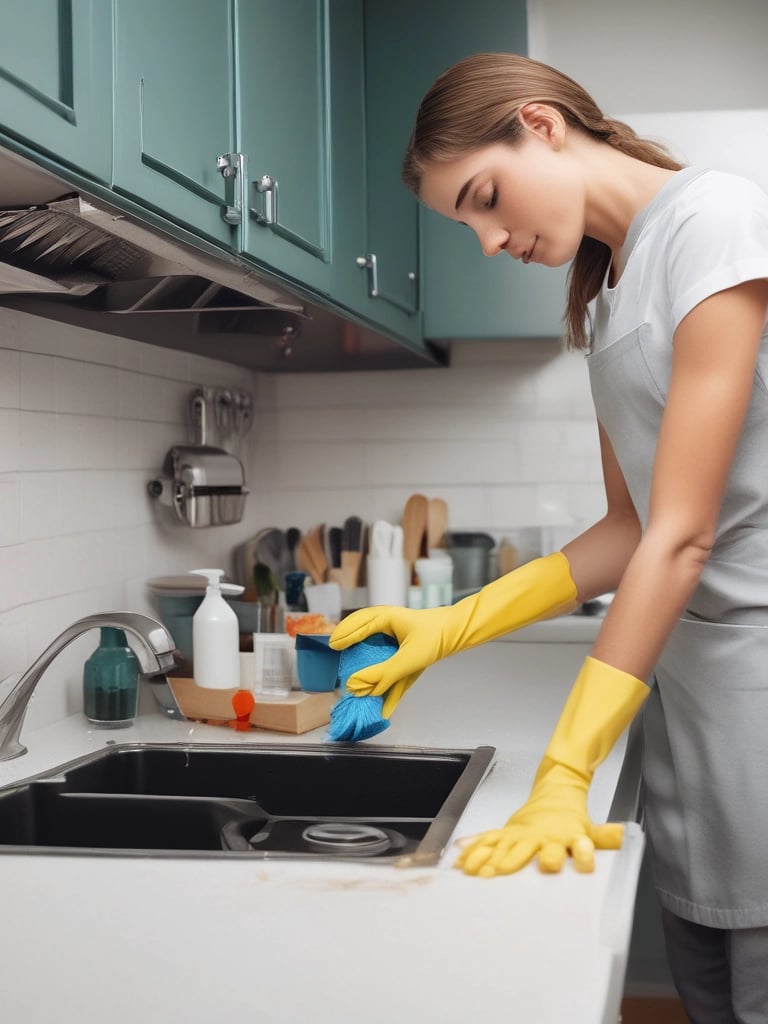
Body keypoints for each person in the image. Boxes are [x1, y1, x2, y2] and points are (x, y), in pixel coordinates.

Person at [329, 52, 768, 1021]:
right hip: (690, 700)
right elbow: (629, 530)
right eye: (467, 223)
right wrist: (450, 624)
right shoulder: (607, 291)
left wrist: (564, 769)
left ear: (539, 124)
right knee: (709, 994)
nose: (487, 240)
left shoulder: (715, 222)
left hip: (760, 695)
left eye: (484, 199)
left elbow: (685, 534)